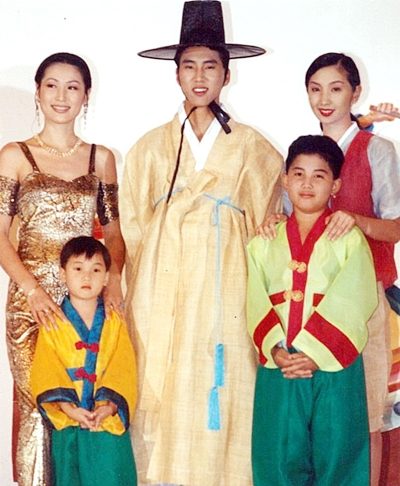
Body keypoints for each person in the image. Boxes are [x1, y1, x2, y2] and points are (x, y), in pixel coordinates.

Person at [119, 2, 282, 485]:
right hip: (161, 289)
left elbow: (267, 229)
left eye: (210, 66)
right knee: (163, 382)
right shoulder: (150, 147)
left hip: (226, 287)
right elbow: (133, 230)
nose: (199, 77)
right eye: (189, 66)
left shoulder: (253, 148)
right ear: (176, 74)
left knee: (224, 384)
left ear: (227, 75)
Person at [258, 53, 400, 485]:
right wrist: (272, 222)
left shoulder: (377, 149)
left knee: (364, 414)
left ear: (355, 92)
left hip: (362, 300)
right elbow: (286, 224)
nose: (325, 98)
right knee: (306, 421)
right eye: (315, 89)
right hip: (302, 306)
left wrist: (356, 220)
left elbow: (395, 227)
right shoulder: (301, 153)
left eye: (336, 88)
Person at [0, 52, 125, 485]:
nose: (61, 96)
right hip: (30, 304)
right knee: (40, 403)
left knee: (84, 402)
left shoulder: (100, 159)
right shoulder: (15, 155)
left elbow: (114, 234)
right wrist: (32, 290)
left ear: (86, 95)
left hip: (86, 301)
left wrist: (113, 282)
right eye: (51, 85)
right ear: (37, 92)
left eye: (73, 87)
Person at [247, 134, 378, 485]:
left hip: (334, 364)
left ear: (335, 185)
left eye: (319, 176)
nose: (307, 184)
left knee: (339, 454)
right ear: (285, 180)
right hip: (281, 365)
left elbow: (356, 298)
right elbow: (255, 299)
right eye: (298, 174)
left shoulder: (348, 239)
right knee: (277, 454)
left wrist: (316, 352)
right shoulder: (263, 242)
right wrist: (276, 349)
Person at [30, 236, 137, 486]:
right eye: (78, 269)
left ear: (107, 277)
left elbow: (124, 367)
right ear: (63, 274)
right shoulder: (53, 323)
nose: (87, 277)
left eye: (96, 270)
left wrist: (109, 407)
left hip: (106, 423)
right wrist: (69, 409)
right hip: (69, 424)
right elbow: (46, 370)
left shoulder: (114, 321)